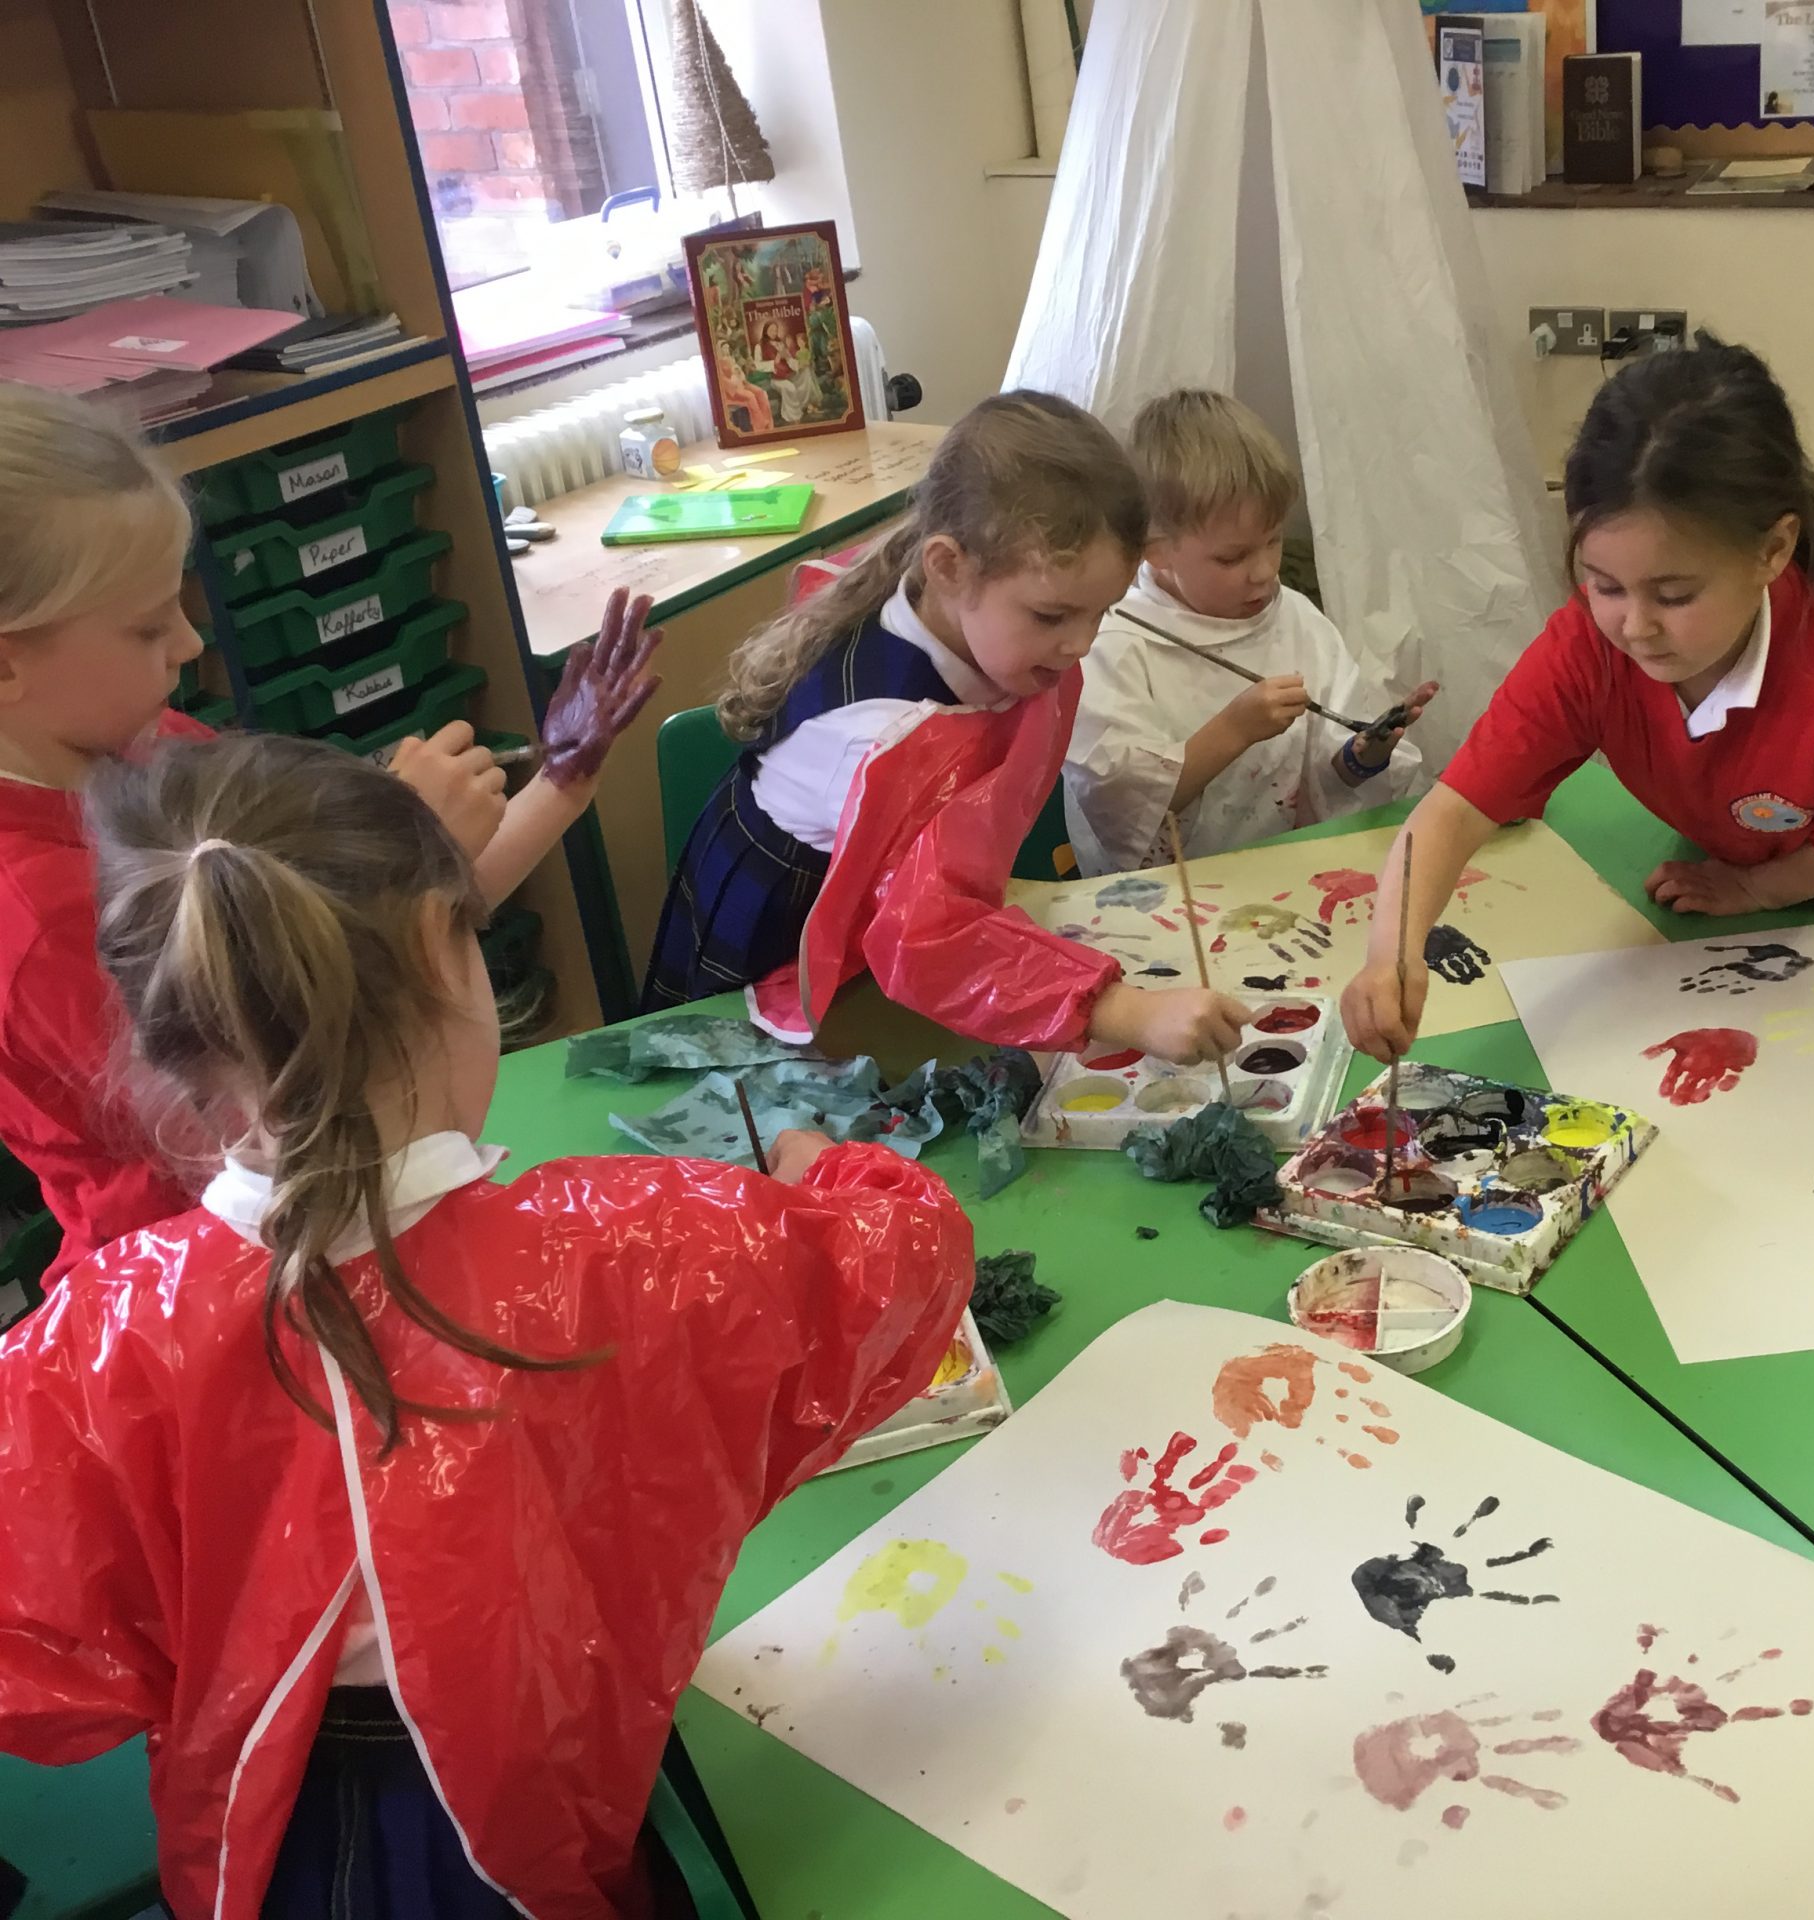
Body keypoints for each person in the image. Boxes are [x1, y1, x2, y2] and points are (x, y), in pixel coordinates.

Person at [0, 733, 974, 1915]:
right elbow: (906, 1266)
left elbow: (41, 1659)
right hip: (534, 1800)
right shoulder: (634, 1250)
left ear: (174, 1036)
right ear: (439, 942)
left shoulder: (98, 1333)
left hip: (271, 1835)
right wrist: (835, 1171)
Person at [0, 384, 663, 1291]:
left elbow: (399, 938)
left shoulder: (162, 750)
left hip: (329, 1224)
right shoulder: (34, 923)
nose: (190, 644)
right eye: (149, 627)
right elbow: (272, 1119)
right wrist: (398, 851)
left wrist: (561, 784)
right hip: (218, 1285)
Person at [1342, 337, 1814, 1058]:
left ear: (1772, 551)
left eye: (1673, 595)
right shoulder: (1588, 649)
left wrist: (1759, 890)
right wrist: (1392, 951)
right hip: (1753, 873)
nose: (1635, 627)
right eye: (1605, 585)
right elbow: (1456, 809)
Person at [645, 389, 1246, 1062]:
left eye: (1100, 612)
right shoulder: (883, 740)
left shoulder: (963, 609)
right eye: (1052, 616)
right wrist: (1124, 1012)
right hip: (776, 962)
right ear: (949, 567)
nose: (1082, 644)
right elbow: (928, 938)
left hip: (887, 925)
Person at [1063, 389, 1437, 875]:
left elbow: (1329, 780)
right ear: (1156, 550)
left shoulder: (1295, 617)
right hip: (1167, 899)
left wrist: (1362, 756)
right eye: (1232, 557)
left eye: (1273, 540)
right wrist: (1234, 729)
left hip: (1284, 878)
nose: (1264, 572)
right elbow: (1120, 807)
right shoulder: (1115, 642)